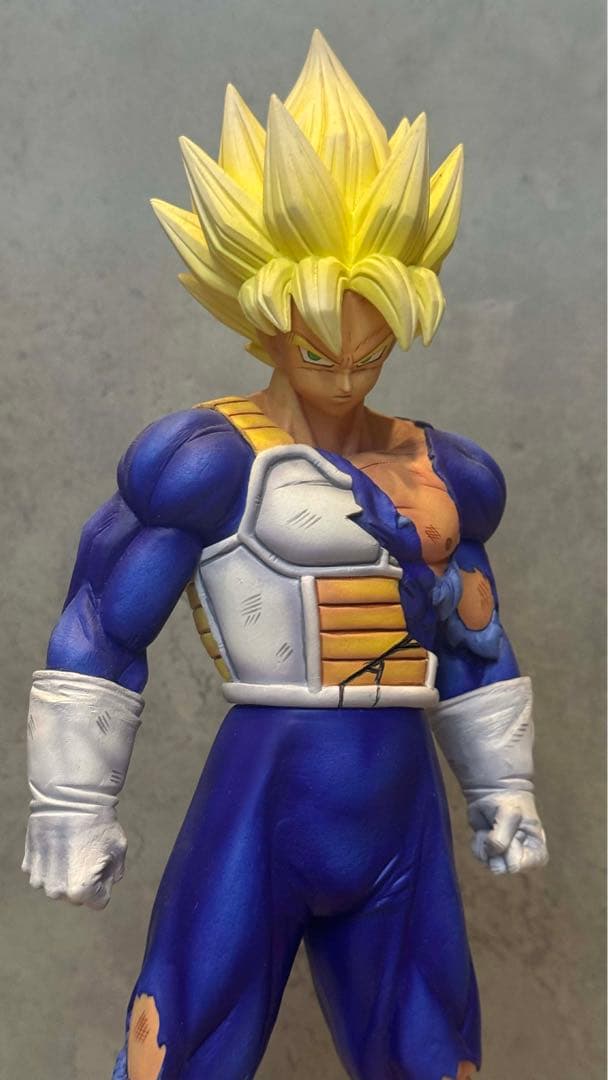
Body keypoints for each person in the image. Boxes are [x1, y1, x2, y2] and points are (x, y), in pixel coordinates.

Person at [22, 31, 548, 1080]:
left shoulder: (447, 471)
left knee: (434, 1055)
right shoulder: (206, 459)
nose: (346, 379)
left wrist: (505, 786)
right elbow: (103, 618)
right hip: (263, 792)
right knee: (179, 1048)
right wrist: (71, 804)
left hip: (397, 796)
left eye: (371, 353)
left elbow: (475, 634)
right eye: (317, 353)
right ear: (260, 324)